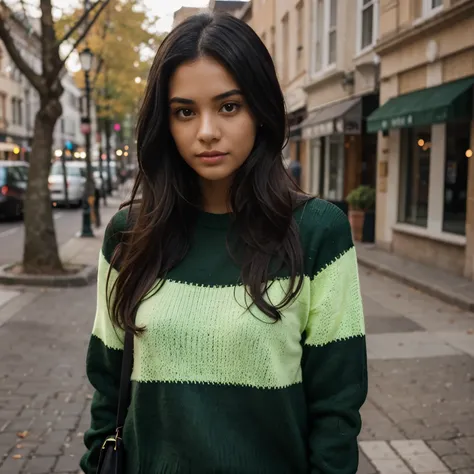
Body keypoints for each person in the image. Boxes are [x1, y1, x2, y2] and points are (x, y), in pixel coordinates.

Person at [80, 12, 367, 474]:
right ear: (165, 122)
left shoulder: (318, 231)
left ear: (261, 110)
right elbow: (108, 387)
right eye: (185, 111)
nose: (207, 130)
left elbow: (337, 407)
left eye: (229, 106)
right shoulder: (129, 234)